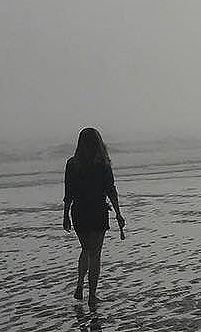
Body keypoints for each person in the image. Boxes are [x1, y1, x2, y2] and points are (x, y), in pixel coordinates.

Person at [63, 127, 124, 304]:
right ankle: (91, 296)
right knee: (95, 253)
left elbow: (69, 193)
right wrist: (119, 213)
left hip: (79, 212)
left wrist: (65, 216)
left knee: (86, 249)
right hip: (98, 211)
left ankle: (80, 284)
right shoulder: (103, 163)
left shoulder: (72, 164)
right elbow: (111, 190)